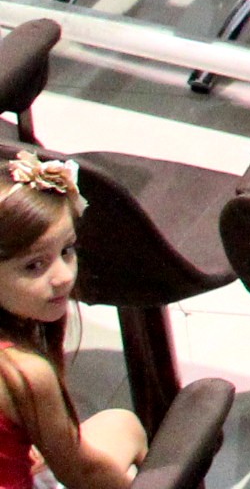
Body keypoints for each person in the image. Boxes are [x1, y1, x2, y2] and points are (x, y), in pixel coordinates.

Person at [0, 151, 153, 489]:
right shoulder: (24, 373)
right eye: (34, 265)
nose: (62, 277)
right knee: (124, 427)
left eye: (66, 250)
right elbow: (84, 475)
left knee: (120, 425)